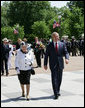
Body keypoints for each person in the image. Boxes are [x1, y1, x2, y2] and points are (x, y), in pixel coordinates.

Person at [44, 32, 69, 100]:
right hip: (53, 64)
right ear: (52, 37)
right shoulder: (49, 45)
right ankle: (55, 93)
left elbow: (66, 52)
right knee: (54, 78)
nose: (56, 37)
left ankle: (58, 90)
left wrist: (67, 58)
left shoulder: (62, 44)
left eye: (57, 36)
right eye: (55, 36)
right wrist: (45, 64)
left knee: (59, 78)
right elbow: (46, 56)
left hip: (60, 63)